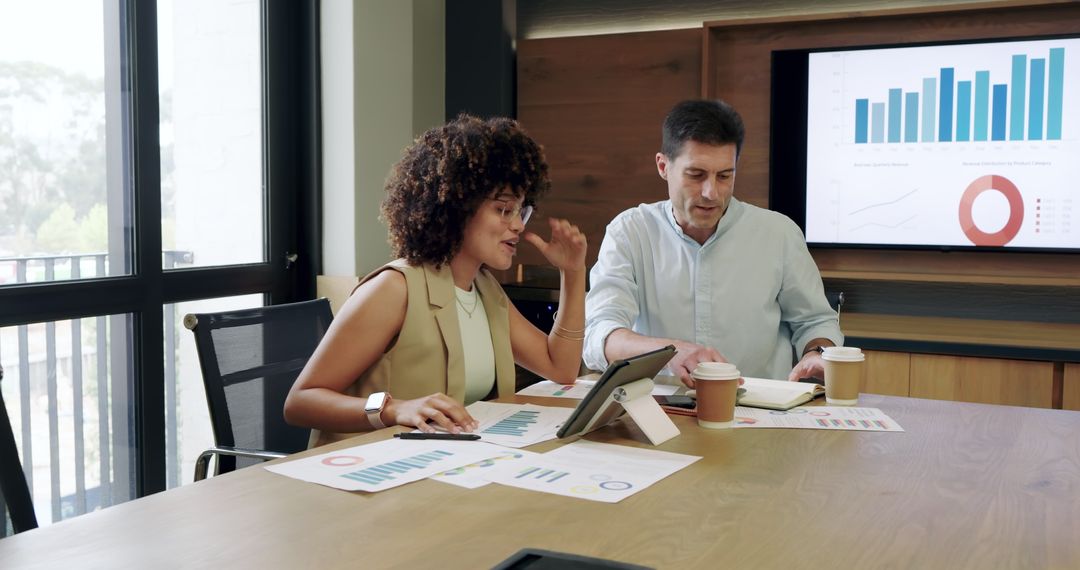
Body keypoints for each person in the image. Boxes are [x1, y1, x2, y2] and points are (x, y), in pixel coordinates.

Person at [284, 115, 587, 446]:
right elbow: (301, 401)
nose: (517, 225)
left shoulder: (485, 290)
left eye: (521, 211)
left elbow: (561, 369)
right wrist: (392, 409)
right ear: (458, 207)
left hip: (441, 467)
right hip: (371, 473)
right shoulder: (394, 288)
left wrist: (572, 274)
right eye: (503, 210)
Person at [583, 99, 842, 387]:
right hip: (658, 412)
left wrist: (816, 353)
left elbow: (816, 322)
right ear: (663, 166)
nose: (711, 193)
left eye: (724, 176)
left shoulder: (778, 234)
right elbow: (600, 335)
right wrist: (671, 352)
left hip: (757, 413)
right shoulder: (630, 232)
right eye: (696, 175)